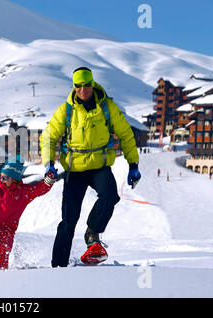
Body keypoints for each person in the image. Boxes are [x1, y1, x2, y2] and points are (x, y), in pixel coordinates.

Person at [40, 67, 141, 267]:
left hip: (99, 167)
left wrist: (133, 164)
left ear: (92, 84)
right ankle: (57, 266)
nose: (82, 90)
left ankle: (92, 233)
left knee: (110, 195)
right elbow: (48, 136)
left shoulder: (107, 107)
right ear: (74, 86)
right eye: (78, 86)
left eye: (86, 85)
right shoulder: (66, 110)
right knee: (68, 220)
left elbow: (126, 134)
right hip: (74, 170)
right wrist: (48, 164)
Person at [0, 160, 57, 272]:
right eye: (1, 177)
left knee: (3, 247)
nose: (2, 180)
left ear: (15, 179)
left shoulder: (23, 193)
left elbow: (39, 189)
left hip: (9, 227)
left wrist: (49, 180)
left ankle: (0, 270)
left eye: (5, 178)